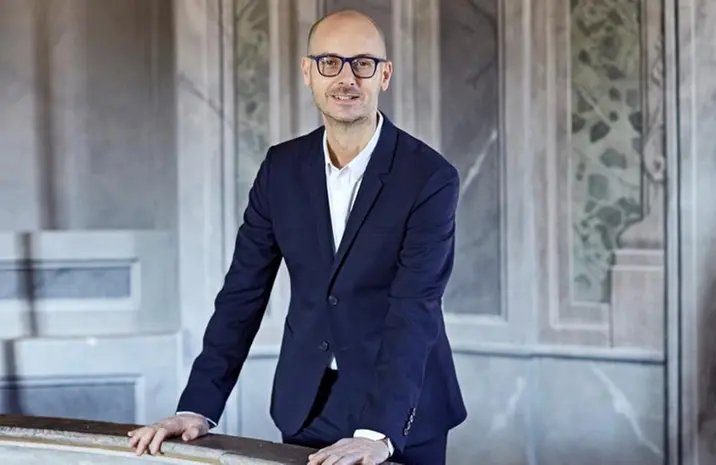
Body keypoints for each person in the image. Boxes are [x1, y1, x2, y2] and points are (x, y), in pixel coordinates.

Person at [126, 8, 466, 465]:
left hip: (403, 409)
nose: (346, 77)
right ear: (308, 72)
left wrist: (376, 434)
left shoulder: (429, 177)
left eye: (362, 64)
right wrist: (197, 407)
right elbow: (242, 294)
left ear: (384, 76)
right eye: (330, 62)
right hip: (306, 406)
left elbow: (415, 309)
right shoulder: (280, 169)